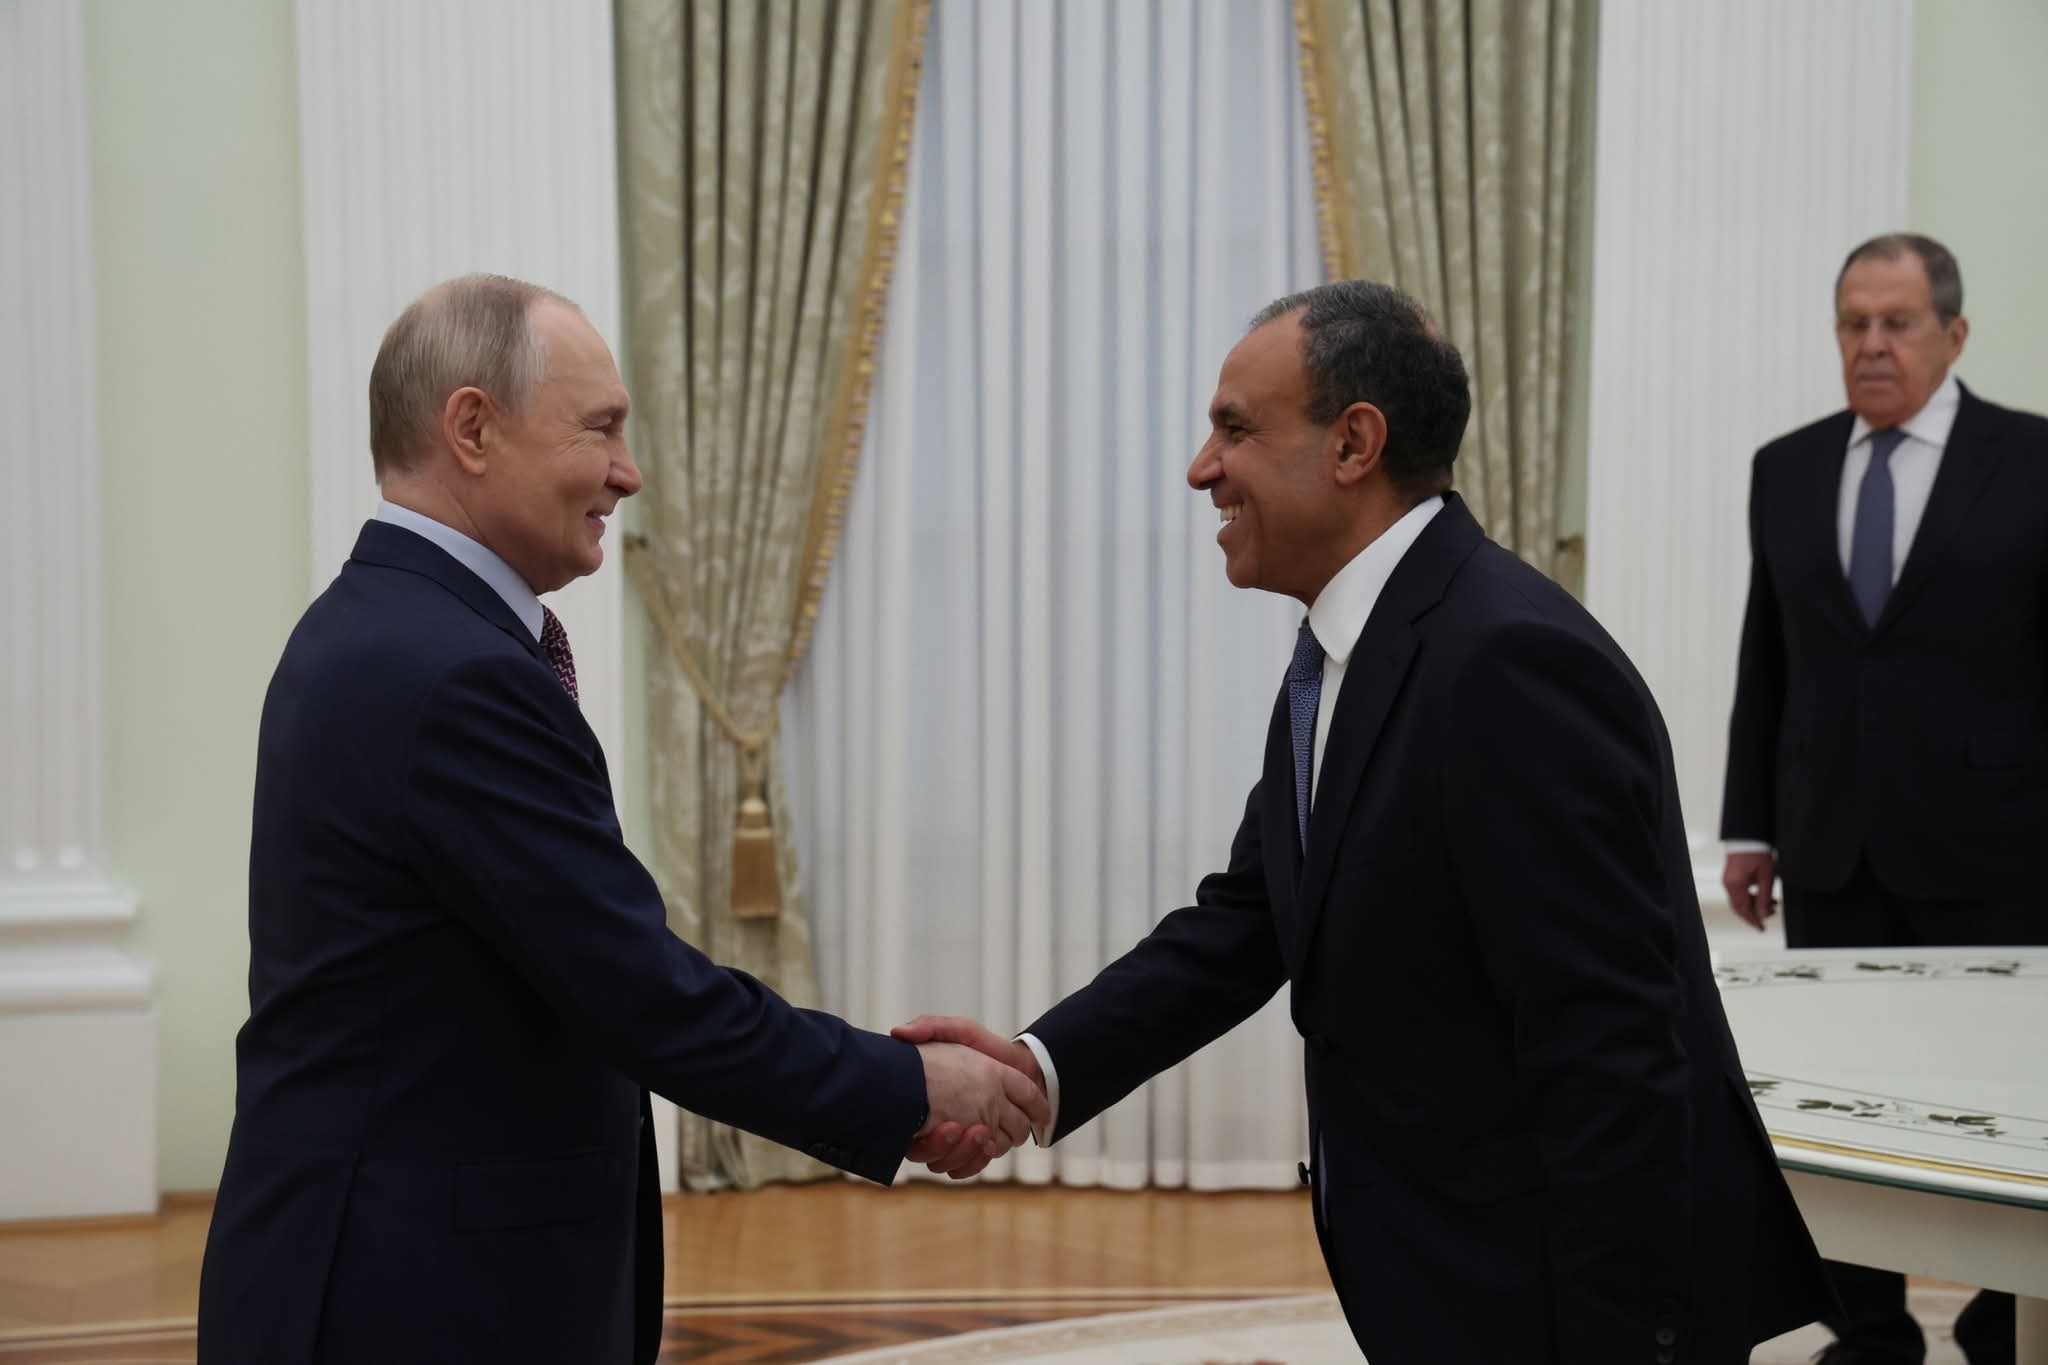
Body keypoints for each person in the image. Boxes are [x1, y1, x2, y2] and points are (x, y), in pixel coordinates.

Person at [900, 280, 1830, 1364]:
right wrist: (1037, 1065)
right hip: (1450, 1275)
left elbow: (1609, 1051)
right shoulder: (1351, 648)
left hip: (1550, 1301)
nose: (1201, 469)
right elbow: (1249, 920)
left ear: (1353, 444)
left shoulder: (1507, 662)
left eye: (1234, 430)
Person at [196, 274, 1046, 1365]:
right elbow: (642, 994)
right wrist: (909, 1086)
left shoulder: (379, 626)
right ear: (472, 429)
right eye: (599, 428)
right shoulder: (453, 673)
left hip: (382, 1260)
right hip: (416, 1297)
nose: (628, 472)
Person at [1721, 232, 2047, 1364]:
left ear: (1952, 333)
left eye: (1895, 323)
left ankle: (2007, 1314)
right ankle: (1867, 1329)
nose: (1870, 344)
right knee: (1835, 1090)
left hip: (1999, 846)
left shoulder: (2033, 459)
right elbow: (1767, 655)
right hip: (1827, 841)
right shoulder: (1787, 466)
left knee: (2012, 1087)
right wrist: (1750, 826)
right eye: (1852, 323)